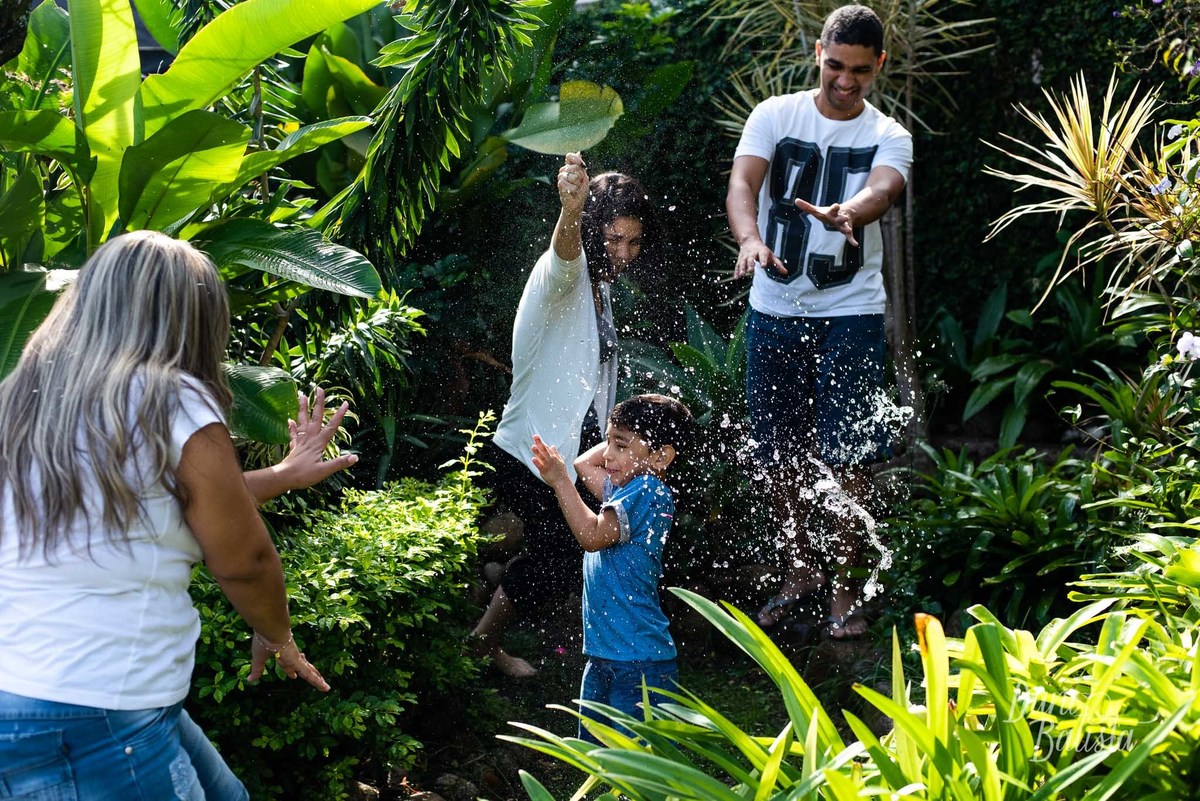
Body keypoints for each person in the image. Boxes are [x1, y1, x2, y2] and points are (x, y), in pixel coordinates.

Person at [0, 231, 355, 799]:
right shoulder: (169, 397)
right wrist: (276, 634)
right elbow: (246, 560)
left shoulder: (19, 397)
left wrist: (283, 474)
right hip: (93, 709)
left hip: (29, 691)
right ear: (192, 318)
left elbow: (148, 504)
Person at [725, 4, 912, 639]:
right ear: (818, 55)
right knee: (777, 453)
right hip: (775, 308)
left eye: (860, 70)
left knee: (850, 454)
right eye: (836, 66)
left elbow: (884, 188)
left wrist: (850, 212)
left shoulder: (890, 133)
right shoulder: (774, 115)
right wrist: (750, 239)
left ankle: (845, 585)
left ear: (878, 65)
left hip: (851, 312)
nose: (845, 80)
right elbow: (743, 185)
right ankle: (800, 568)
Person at [472, 152, 655, 678]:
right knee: (560, 555)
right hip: (532, 448)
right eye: (614, 239)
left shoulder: (599, 286)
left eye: (634, 241)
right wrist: (571, 209)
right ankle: (480, 645)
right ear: (593, 230)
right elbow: (565, 252)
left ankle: (488, 590)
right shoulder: (565, 275)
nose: (624, 253)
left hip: (566, 448)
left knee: (557, 549)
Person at [530, 393, 693, 741]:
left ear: (661, 456)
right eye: (608, 442)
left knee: (633, 763)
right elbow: (582, 465)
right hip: (609, 654)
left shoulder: (647, 490)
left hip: (637, 662)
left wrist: (559, 482)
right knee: (598, 756)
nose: (607, 455)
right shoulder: (625, 490)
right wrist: (618, 430)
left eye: (620, 445)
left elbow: (592, 536)